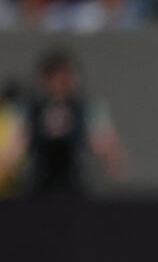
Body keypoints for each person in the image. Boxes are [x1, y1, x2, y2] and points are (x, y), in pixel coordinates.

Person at [20, 49, 127, 197]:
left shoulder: (87, 109)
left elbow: (106, 147)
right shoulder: (32, 110)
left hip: (76, 186)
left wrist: (114, 165)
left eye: (65, 78)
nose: (59, 84)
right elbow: (16, 147)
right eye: (55, 78)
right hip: (39, 187)